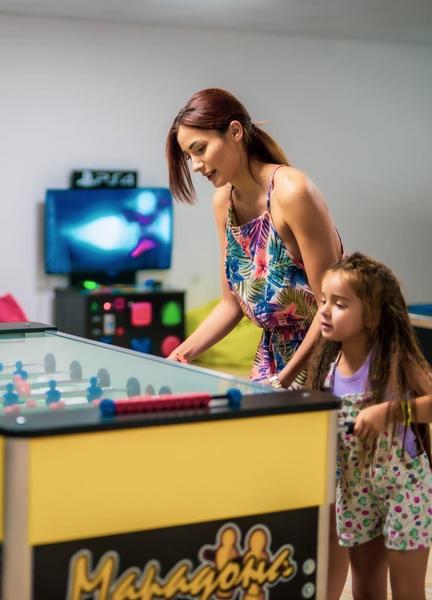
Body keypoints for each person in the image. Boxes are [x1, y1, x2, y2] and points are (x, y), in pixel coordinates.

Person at [164, 87, 348, 595]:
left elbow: (332, 303)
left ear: (236, 132)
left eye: (199, 149)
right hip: (276, 363)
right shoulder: (224, 202)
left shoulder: (291, 191)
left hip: (329, 358)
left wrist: (288, 378)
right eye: (187, 156)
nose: (196, 166)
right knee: (278, 495)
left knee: (325, 503)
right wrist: (183, 353)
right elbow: (231, 303)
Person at [307, 252, 432, 600]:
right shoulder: (327, 369)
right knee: (365, 589)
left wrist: (391, 412)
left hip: (404, 491)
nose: (325, 311)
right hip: (357, 492)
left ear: (373, 316)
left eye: (340, 304)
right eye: (322, 301)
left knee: (407, 592)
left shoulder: (396, 360)